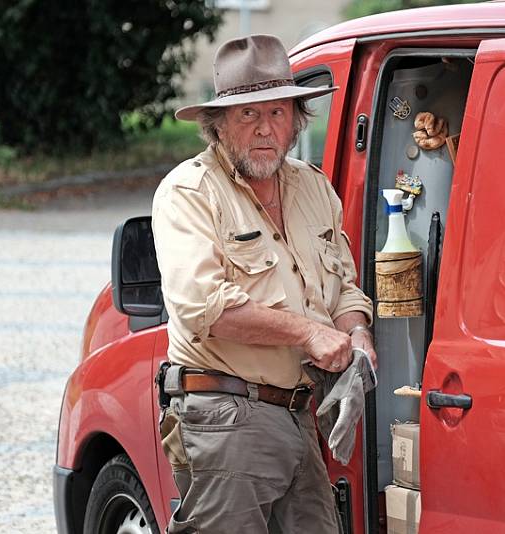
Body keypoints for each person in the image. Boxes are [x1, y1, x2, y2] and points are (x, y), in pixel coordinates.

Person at [151, 34, 375, 534]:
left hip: (298, 413)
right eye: (247, 115)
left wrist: (356, 335)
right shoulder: (188, 191)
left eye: (276, 113)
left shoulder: (313, 186)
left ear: (296, 121)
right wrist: (308, 334)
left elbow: (345, 287)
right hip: (224, 417)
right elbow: (204, 307)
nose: (264, 130)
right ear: (217, 125)